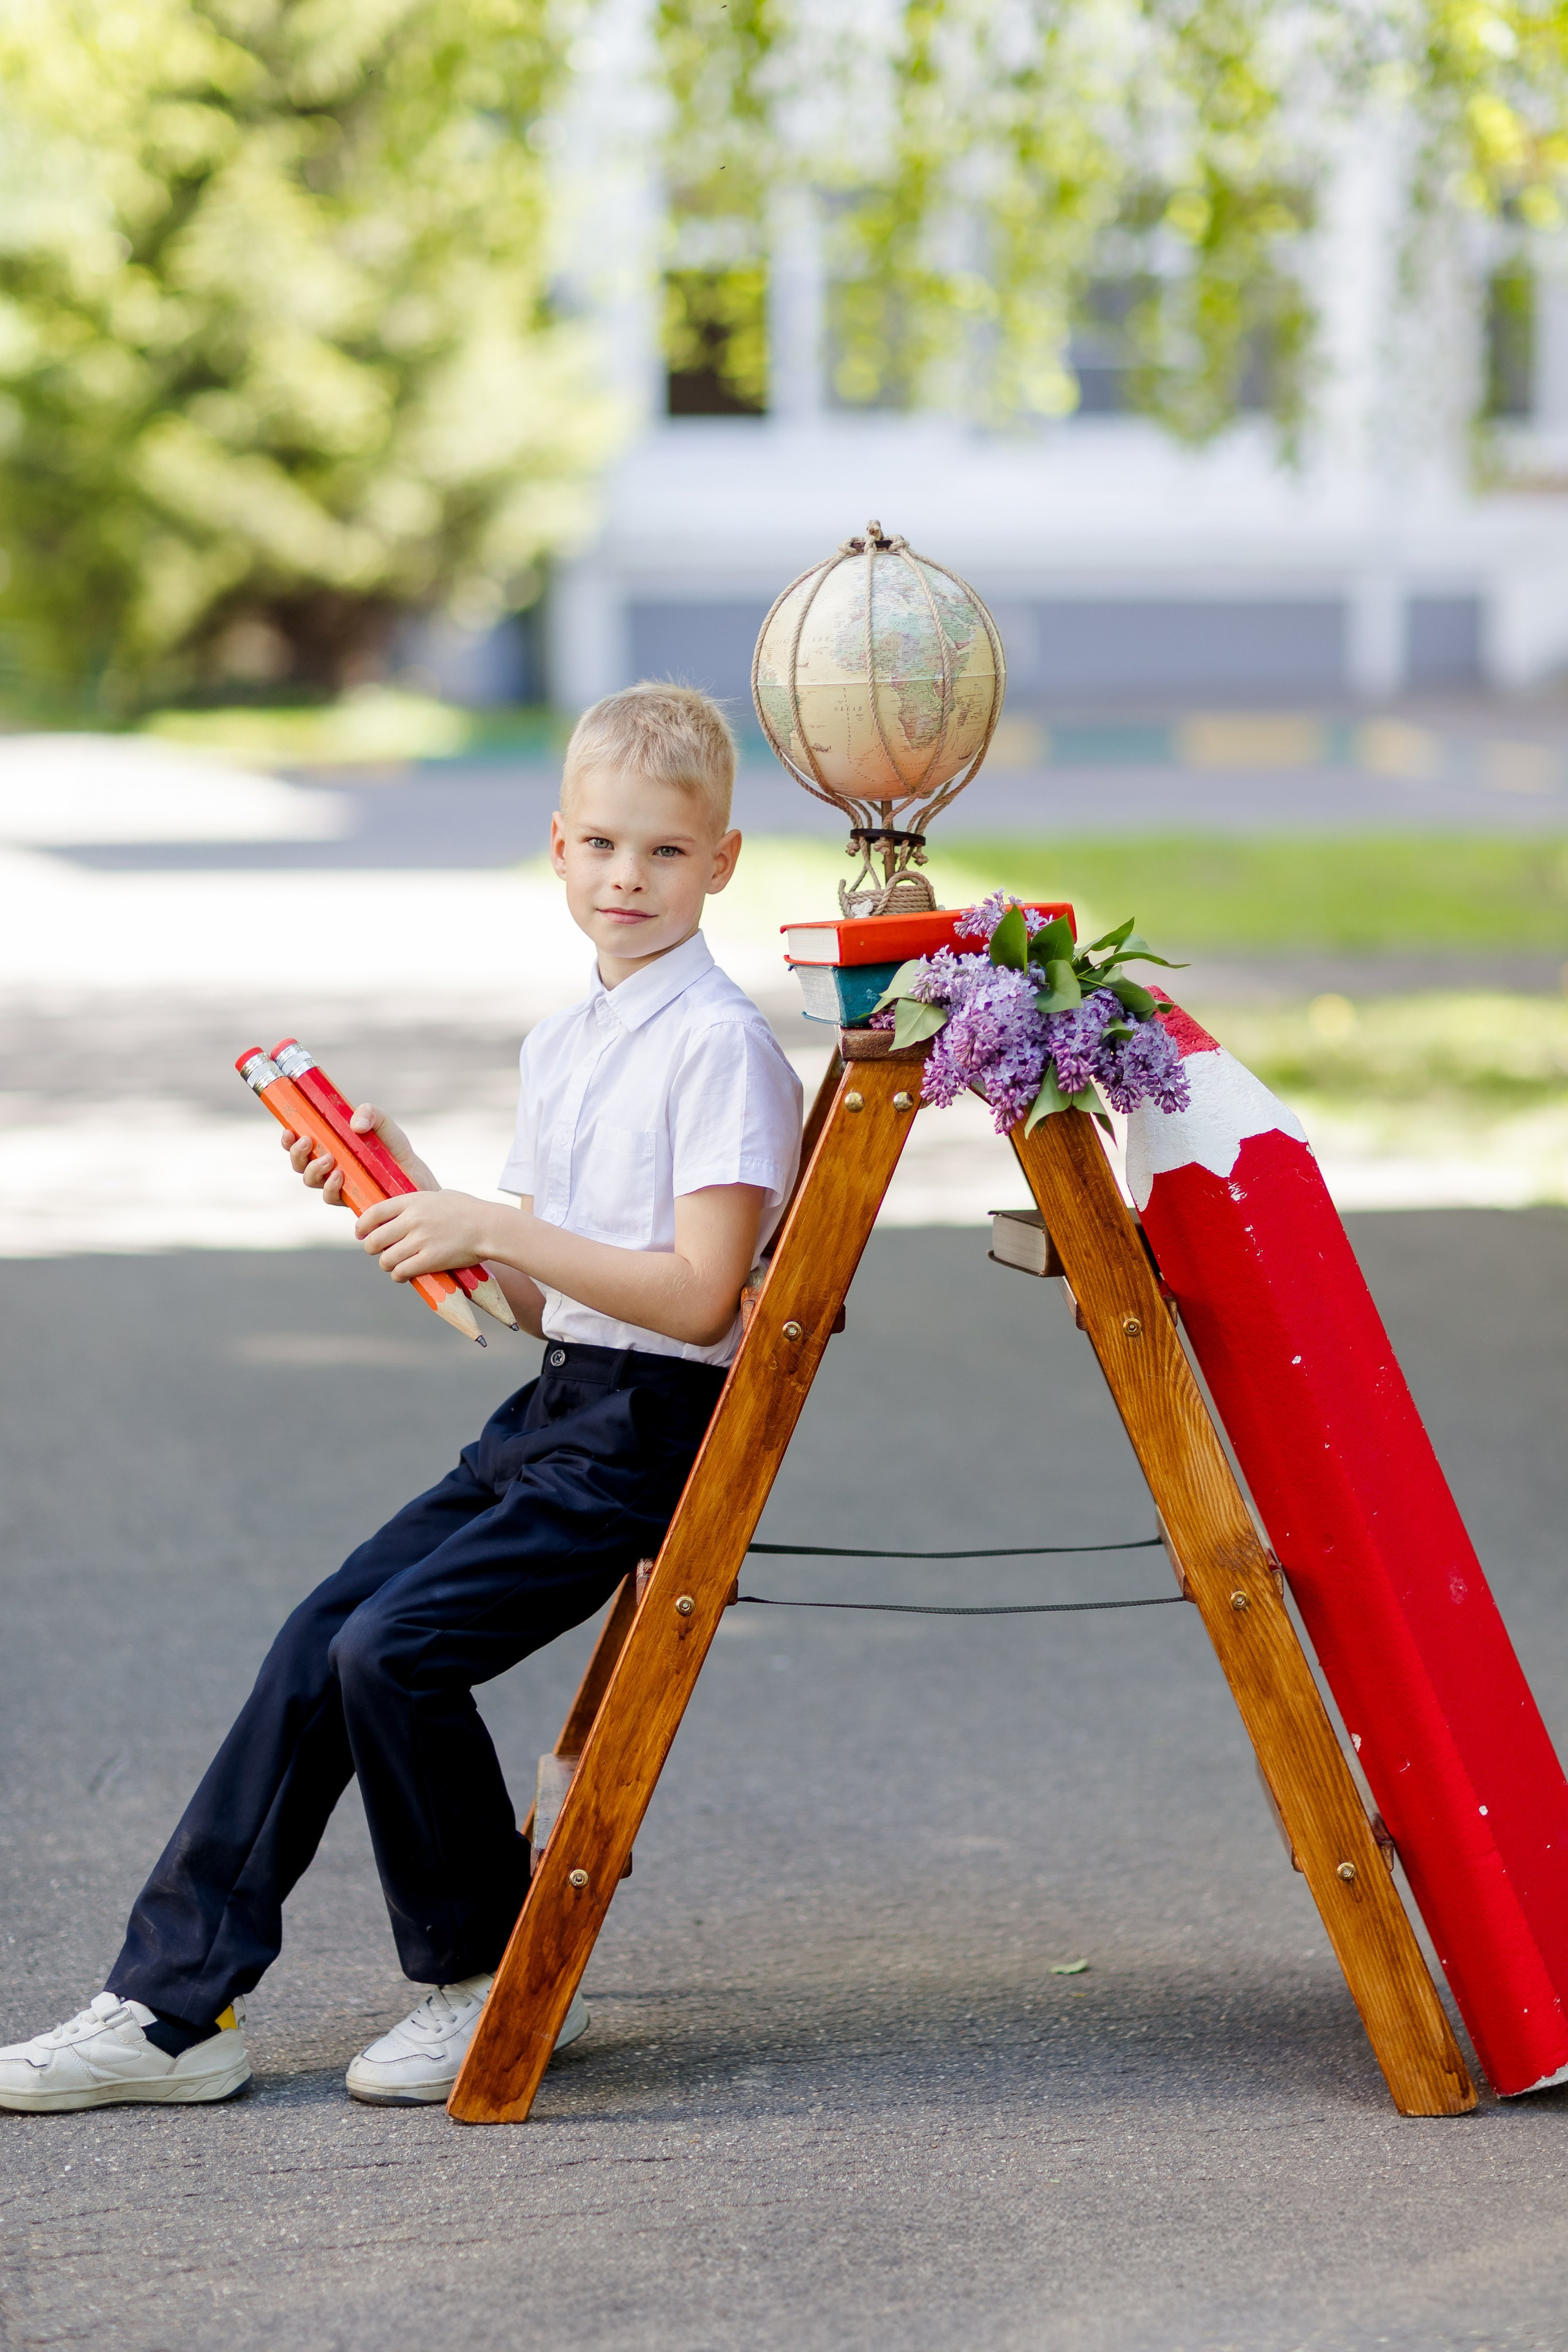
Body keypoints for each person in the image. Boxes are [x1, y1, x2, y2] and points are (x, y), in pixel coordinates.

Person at [0, 683, 803, 2113]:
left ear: (723, 862)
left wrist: (487, 1223)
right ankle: (172, 2011)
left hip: (646, 1437)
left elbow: (693, 1298)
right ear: (558, 847)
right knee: (321, 1635)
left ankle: (486, 1977)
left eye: (666, 854)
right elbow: (537, 1299)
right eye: (603, 846)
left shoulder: (717, 1045)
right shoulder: (565, 1045)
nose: (629, 879)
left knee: (395, 1651)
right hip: (556, 1410)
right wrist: (409, 1197)